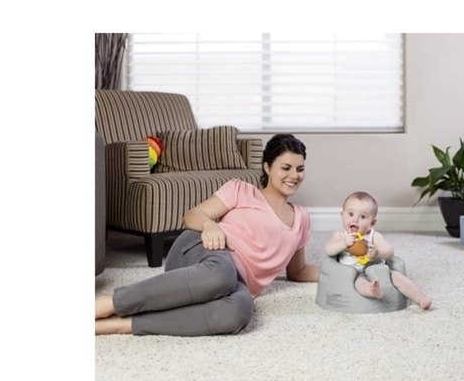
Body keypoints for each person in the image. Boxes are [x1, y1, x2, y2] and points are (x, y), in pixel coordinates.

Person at [95, 133, 319, 336]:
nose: (294, 175)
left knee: (239, 311)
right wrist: (210, 226)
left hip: (236, 282)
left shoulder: (301, 218)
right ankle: (108, 304)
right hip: (205, 251)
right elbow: (192, 216)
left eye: (300, 169)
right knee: (221, 274)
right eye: (286, 168)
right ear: (267, 167)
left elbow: (298, 271)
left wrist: (339, 269)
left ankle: (123, 324)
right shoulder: (241, 190)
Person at [324, 191, 432, 310]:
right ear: (342, 215)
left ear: (372, 223)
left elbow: (390, 251)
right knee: (357, 282)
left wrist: (377, 253)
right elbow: (329, 250)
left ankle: (420, 299)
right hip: (354, 273)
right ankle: (372, 291)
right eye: (350, 214)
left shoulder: (374, 236)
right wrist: (343, 243)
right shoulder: (340, 236)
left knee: (397, 276)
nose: (355, 220)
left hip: (376, 269)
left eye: (363, 217)